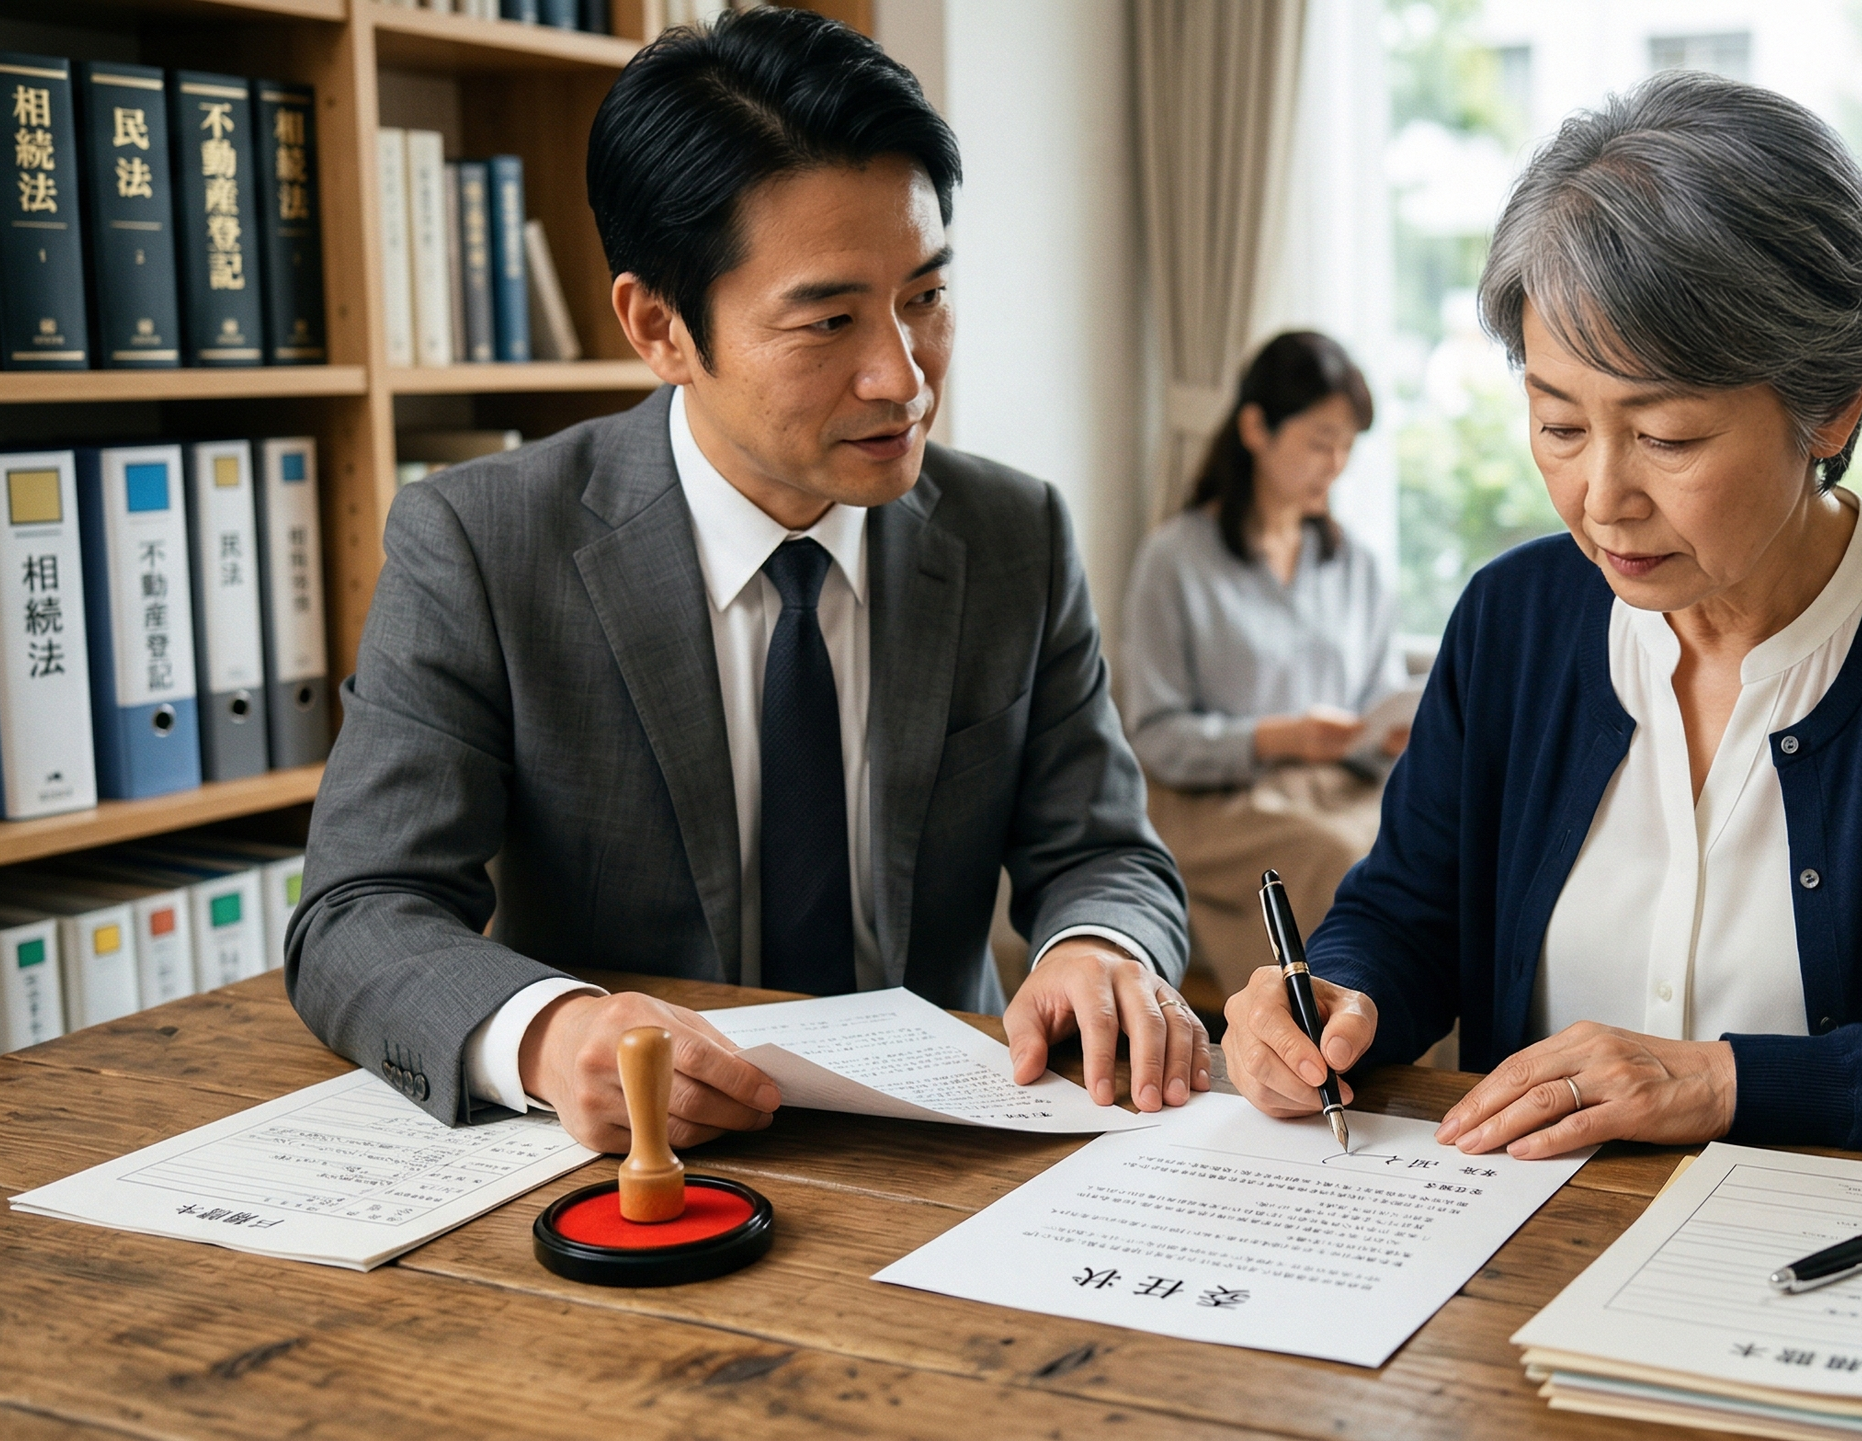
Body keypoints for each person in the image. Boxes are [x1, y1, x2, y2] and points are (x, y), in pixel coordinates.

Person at [286, 10, 1204, 1151]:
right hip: (640, 1172)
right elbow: (356, 912)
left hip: (948, 1149)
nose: (902, 376)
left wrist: (1096, 949)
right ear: (660, 327)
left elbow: (1104, 851)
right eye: (829, 320)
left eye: (924, 296)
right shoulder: (482, 543)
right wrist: (548, 1033)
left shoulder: (1012, 530)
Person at [1221, 72, 1862, 1159]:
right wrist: (1333, 998)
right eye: (1557, 423)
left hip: (1841, 1266)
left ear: (1832, 406)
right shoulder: (1511, 620)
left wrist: (1723, 1082)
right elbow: (1406, 916)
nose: (1601, 497)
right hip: (1519, 1254)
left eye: (1666, 436)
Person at [1119, 332, 1404, 992]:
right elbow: (1157, 736)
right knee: (1338, 858)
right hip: (1214, 805)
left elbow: (1378, 700)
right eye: (1319, 440)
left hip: (1338, 788)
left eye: (1346, 446)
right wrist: (1280, 737)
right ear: (1255, 428)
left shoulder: (1355, 565)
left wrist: (1387, 736)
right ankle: (1336, 1056)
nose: (1334, 463)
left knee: (1428, 857)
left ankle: (1441, 1078)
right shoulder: (1175, 559)